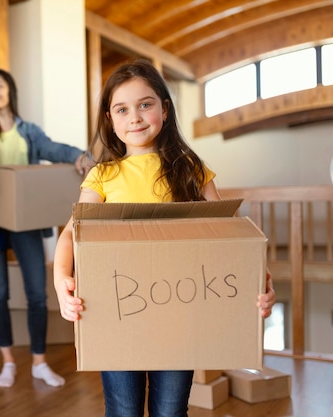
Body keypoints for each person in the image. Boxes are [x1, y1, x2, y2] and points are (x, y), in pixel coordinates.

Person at [53, 59, 276, 417]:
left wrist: (261, 281)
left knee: (171, 411)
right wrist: (61, 279)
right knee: (124, 410)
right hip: (117, 314)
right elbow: (71, 234)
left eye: (145, 104)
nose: (135, 117)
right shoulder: (103, 175)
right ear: (110, 119)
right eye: (122, 109)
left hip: (178, 316)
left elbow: (231, 237)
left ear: (165, 109)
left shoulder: (190, 168)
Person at [0, 68, 92, 388]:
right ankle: (8, 361)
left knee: (36, 293)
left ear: (10, 90)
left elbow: (54, 149)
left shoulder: (29, 131)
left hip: (26, 223)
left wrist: (80, 156)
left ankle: (38, 362)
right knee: (0, 294)